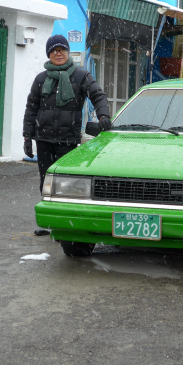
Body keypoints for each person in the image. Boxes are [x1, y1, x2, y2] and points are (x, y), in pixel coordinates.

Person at [23, 35, 110, 235]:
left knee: (66, 182)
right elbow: (31, 109)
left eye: (62, 49)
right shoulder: (41, 79)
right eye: (54, 51)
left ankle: (66, 222)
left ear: (68, 52)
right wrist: (27, 137)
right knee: (46, 180)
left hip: (67, 140)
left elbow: (98, 95)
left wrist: (103, 114)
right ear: (49, 55)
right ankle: (49, 222)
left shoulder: (81, 76)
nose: (58, 53)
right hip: (44, 139)